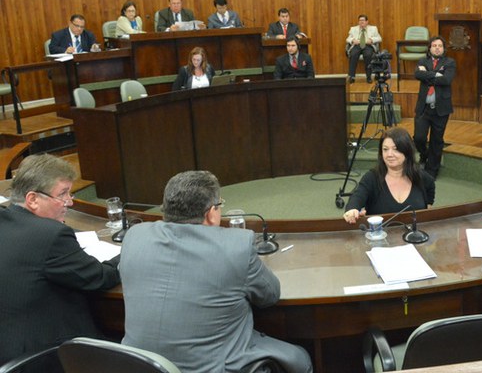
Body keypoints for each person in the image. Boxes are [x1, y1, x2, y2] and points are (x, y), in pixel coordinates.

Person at [120, 171, 312, 373]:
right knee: (299, 359)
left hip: (139, 366)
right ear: (211, 213)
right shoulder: (237, 246)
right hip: (212, 367)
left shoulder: (135, 236)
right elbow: (270, 295)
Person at [0, 154, 120, 370]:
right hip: (44, 358)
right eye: (63, 194)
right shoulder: (51, 235)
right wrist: (127, 253)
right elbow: (100, 277)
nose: (70, 202)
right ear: (32, 199)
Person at [343, 127, 435, 224]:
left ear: (407, 151)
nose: (389, 154)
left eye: (395, 149)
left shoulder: (420, 176)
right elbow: (357, 196)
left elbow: (430, 186)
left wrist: (428, 206)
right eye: (385, 149)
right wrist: (352, 209)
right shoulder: (372, 177)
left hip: (414, 233)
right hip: (381, 232)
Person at [414, 36, 455, 178]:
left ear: (444, 48)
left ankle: (431, 171)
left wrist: (427, 75)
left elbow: (446, 79)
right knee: (418, 138)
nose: (437, 48)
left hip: (441, 109)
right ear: (429, 48)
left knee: (436, 141)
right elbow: (417, 74)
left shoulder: (449, 62)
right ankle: (424, 154)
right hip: (423, 108)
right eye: (434, 45)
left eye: (440, 46)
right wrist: (436, 74)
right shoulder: (422, 61)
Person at [345, 14, 382, 83]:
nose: (361, 22)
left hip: (368, 45)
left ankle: (368, 77)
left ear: (367, 22)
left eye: (363, 20)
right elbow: (348, 39)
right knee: (353, 54)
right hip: (357, 45)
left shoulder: (373, 28)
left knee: (368, 55)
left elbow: (379, 38)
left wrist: (372, 40)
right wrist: (353, 40)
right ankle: (352, 76)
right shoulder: (353, 29)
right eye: (360, 20)